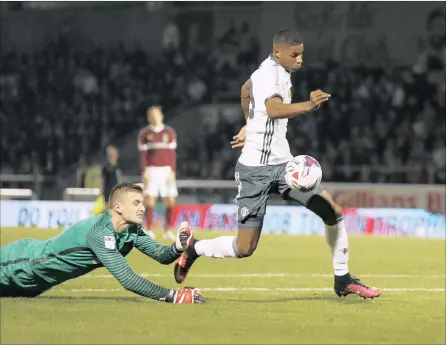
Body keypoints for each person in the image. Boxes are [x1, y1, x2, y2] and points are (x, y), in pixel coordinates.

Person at [174, 28, 381, 299]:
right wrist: (308, 105)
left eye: (302, 54)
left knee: (333, 211)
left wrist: (250, 124)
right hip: (254, 172)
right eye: (294, 55)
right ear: (278, 53)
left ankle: (342, 279)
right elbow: (272, 108)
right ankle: (194, 248)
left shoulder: (276, 71)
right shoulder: (268, 74)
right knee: (245, 248)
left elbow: (245, 91)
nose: (300, 60)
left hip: (285, 167)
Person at [0, 182, 205, 304]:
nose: (143, 208)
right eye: (136, 203)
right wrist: (174, 296)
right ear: (117, 207)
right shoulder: (99, 232)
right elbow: (127, 279)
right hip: (17, 264)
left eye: (142, 203)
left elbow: (161, 255)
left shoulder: (130, 230)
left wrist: (178, 246)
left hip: (33, 285)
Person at [138, 106, 178, 241]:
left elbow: (172, 154)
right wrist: (144, 172)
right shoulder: (145, 134)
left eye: (157, 114)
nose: (154, 117)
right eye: (152, 115)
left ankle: (168, 230)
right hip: (151, 170)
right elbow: (143, 155)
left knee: (170, 200)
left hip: (166, 170)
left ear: (161, 115)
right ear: (149, 117)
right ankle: (148, 229)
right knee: (149, 199)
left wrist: (172, 171)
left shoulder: (169, 132)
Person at [92, 145, 121, 216]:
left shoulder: (119, 166)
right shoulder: (106, 168)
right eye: (109, 154)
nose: (110, 155)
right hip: (109, 194)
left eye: (112, 153)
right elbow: (102, 180)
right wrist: (101, 190)